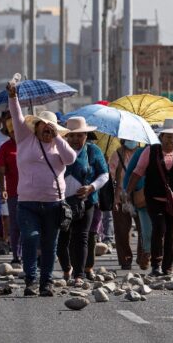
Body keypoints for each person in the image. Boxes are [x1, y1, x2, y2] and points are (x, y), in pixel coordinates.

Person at [7, 80, 76, 297]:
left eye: (50, 127)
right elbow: (17, 117)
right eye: (43, 126)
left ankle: (46, 282)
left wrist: (57, 137)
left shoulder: (59, 145)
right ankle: (31, 279)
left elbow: (71, 159)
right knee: (30, 237)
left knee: (49, 244)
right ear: (35, 126)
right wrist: (13, 96)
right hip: (27, 202)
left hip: (54, 203)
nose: (46, 130)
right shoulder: (24, 139)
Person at [127, 119, 173, 276]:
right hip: (154, 199)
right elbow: (137, 172)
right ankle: (156, 265)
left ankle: (168, 267)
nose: (172, 140)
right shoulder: (150, 151)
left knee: (171, 233)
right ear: (161, 136)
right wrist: (128, 192)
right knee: (159, 229)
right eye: (169, 137)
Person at [57, 117, 109, 285]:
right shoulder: (58, 150)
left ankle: (79, 274)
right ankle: (66, 268)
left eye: (79, 136)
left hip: (86, 202)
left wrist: (91, 187)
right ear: (65, 136)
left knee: (82, 237)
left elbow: (104, 174)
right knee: (62, 239)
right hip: (61, 203)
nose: (75, 140)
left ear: (86, 135)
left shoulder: (93, 151)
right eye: (71, 136)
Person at [109, 138, 141, 270]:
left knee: (143, 229)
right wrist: (113, 197)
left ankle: (143, 256)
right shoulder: (117, 154)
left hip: (140, 196)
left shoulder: (143, 153)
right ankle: (125, 260)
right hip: (120, 197)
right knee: (121, 231)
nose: (131, 140)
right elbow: (110, 176)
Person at [0, 110, 21, 264]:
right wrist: (3, 189)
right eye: (12, 131)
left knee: (28, 223)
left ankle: (29, 252)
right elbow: (1, 171)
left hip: (32, 191)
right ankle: (16, 255)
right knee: (14, 223)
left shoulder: (30, 144)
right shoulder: (5, 147)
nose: (15, 134)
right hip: (13, 190)